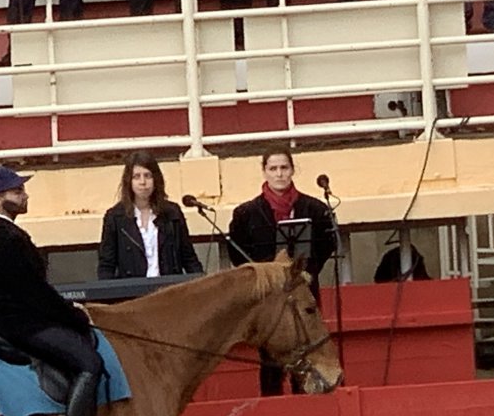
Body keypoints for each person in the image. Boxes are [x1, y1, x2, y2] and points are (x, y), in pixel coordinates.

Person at [0, 166, 104, 416]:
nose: (25, 196)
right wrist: (75, 316)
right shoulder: (6, 238)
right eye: (17, 191)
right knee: (90, 364)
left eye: (23, 190)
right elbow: (36, 294)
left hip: (9, 321)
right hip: (21, 326)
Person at [228, 149, 338, 398]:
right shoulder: (246, 213)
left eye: (284, 168)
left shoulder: (316, 209)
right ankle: (271, 405)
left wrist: (306, 273)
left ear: (292, 170)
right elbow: (237, 252)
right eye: (273, 169)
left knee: (306, 348)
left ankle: (305, 404)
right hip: (268, 298)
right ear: (265, 172)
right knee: (270, 359)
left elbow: (326, 244)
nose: (279, 174)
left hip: (303, 292)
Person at [97, 151, 204, 280]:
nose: (143, 182)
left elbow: (189, 258)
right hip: (134, 290)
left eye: (147, 176)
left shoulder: (172, 213)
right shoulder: (115, 218)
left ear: (155, 179)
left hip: (169, 288)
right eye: (136, 176)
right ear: (129, 181)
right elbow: (106, 266)